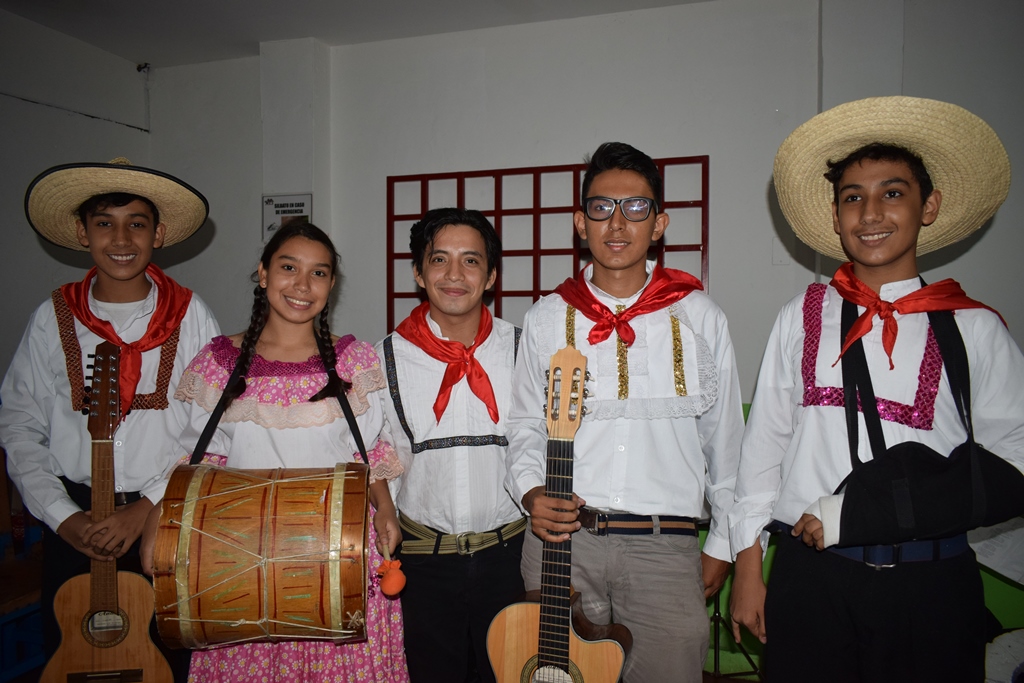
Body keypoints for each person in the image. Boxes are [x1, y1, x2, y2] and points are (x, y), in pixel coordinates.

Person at [729, 96, 1024, 682]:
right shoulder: (802, 314)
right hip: (810, 578)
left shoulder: (975, 327)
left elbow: (1015, 463)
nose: (871, 213)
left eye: (892, 192)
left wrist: (862, 514)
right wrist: (747, 567)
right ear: (836, 217)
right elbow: (762, 450)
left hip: (929, 583)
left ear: (928, 205)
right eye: (852, 198)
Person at [505, 142, 745, 682]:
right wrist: (529, 491)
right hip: (562, 543)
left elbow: (726, 443)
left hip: (666, 548)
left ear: (659, 223)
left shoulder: (700, 317)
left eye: (635, 208)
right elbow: (523, 424)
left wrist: (726, 544)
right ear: (579, 222)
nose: (617, 223)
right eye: (601, 207)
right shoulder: (547, 316)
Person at [147, 221, 409, 683]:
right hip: (237, 567)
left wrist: (385, 508)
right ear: (263, 273)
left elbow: (367, 452)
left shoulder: (353, 362)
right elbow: (194, 460)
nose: (303, 285)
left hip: (338, 564)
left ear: (332, 285)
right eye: (289, 267)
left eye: (320, 273)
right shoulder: (217, 365)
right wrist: (159, 528)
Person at [0, 157, 219, 679]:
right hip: (74, 521)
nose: (120, 238)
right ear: (82, 232)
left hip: (159, 520)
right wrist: (61, 516)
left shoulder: (190, 316)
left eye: (136, 224)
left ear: (158, 234)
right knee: (76, 658)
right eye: (104, 223)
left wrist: (146, 506)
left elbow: (208, 427)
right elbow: (19, 423)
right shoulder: (52, 317)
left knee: (165, 658)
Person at [376, 207, 525, 683]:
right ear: (419, 273)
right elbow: (370, 457)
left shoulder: (527, 351)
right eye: (439, 260)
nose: (455, 275)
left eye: (471, 261)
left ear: (492, 274)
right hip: (421, 564)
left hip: (513, 558)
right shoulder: (382, 360)